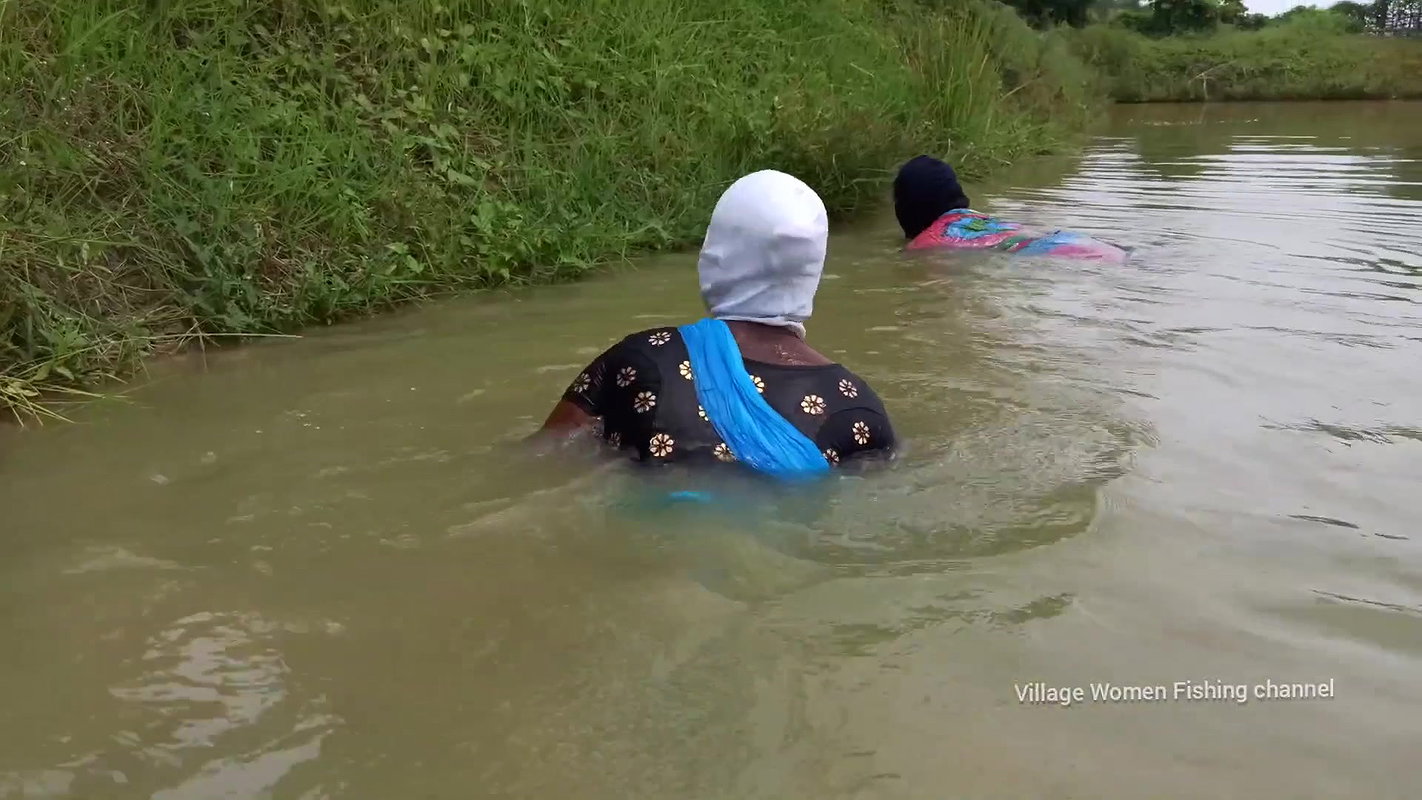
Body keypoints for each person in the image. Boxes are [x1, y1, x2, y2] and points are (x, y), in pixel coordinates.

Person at [536, 170, 896, 480]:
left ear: (717, 253)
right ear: (811, 271)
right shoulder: (858, 409)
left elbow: (538, 461)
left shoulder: (642, 360)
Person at [893, 155, 1128, 263]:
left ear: (908, 206)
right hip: (1077, 242)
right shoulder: (980, 220)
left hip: (1064, 257)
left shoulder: (927, 242)